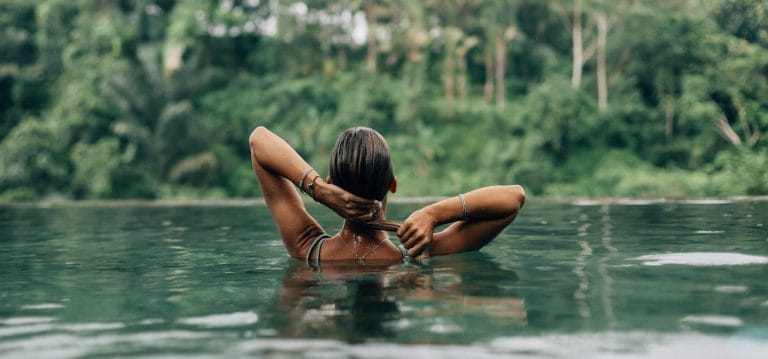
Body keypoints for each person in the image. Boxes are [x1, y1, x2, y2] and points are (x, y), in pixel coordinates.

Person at [248, 126, 525, 266]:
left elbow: (258, 139)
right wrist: (434, 213)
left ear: (333, 183)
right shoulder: (416, 254)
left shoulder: (307, 248)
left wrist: (318, 190)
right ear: (392, 184)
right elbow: (513, 199)